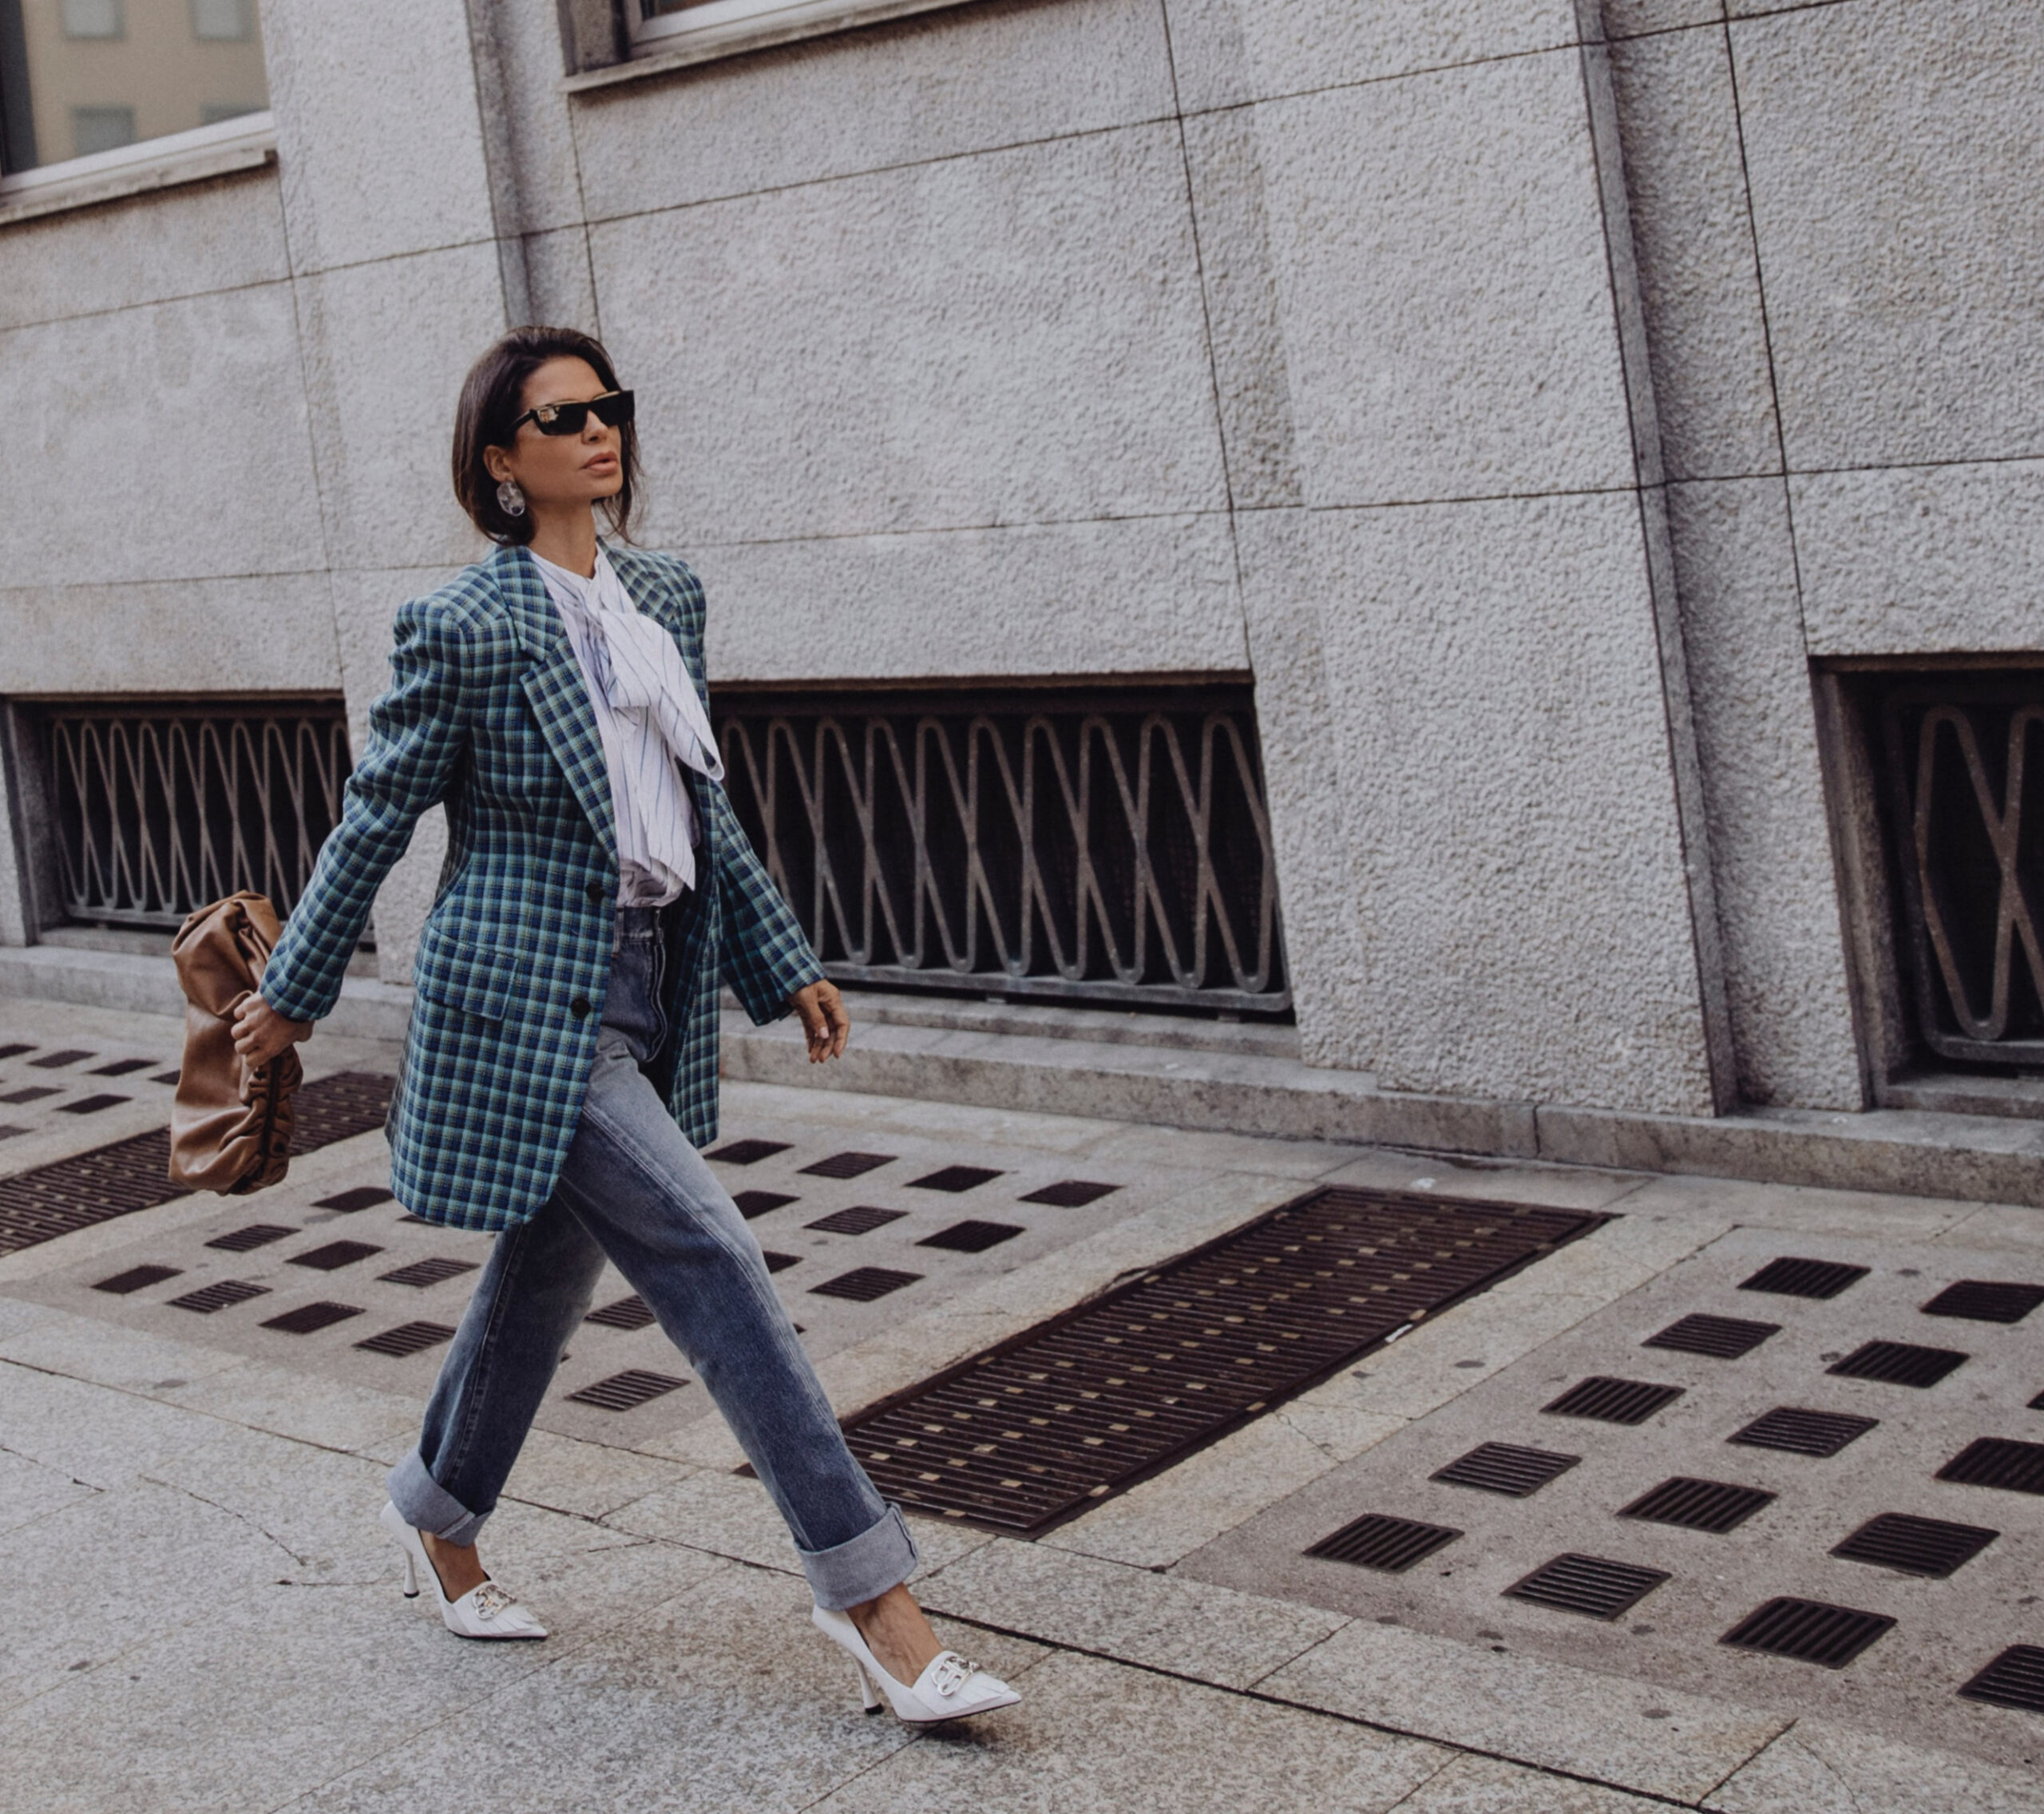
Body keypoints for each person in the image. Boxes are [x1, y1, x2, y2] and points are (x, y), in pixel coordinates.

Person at [231, 326, 1017, 1726]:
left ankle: (439, 1516)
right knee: (712, 1257)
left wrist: (781, 963)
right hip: (531, 1003)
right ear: (500, 461)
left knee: (542, 1278)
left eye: (608, 408)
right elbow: (378, 815)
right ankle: (874, 1604)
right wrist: (291, 995)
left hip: (652, 980)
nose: (598, 432)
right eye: (561, 416)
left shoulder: (665, 596)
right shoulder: (464, 626)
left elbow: (695, 801)